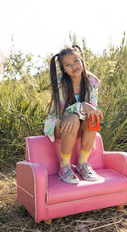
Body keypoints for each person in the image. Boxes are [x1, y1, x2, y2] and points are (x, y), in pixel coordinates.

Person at [44, 45, 102, 184]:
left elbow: (92, 107)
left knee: (94, 118)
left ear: (81, 59)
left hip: (79, 123)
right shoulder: (60, 82)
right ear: (63, 69)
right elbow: (63, 111)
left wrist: (83, 111)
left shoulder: (92, 81)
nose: (73, 66)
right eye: (67, 64)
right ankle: (64, 166)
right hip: (59, 122)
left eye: (76, 60)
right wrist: (80, 107)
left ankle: (83, 163)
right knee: (73, 120)